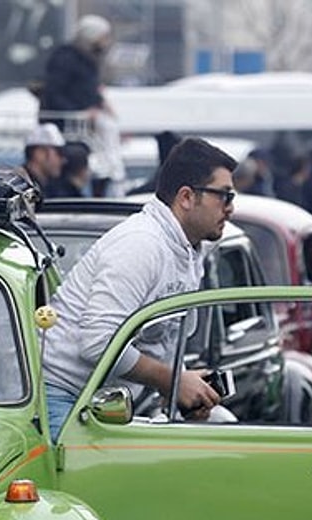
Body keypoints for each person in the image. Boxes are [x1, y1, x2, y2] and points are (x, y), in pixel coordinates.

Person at [42, 137, 238, 439]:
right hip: (62, 399)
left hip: (101, 404)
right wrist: (172, 381)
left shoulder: (186, 250)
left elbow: (162, 338)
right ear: (186, 197)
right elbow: (97, 342)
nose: (231, 208)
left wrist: (182, 387)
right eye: (224, 196)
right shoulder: (142, 243)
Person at [38, 14, 124, 197]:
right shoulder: (66, 58)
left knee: (109, 129)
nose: (105, 43)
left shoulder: (88, 59)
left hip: (87, 119)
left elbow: (88, 89)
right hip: (71, 121)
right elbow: (54, 93)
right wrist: (82, 112)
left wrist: (100, 102)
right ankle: (114, 175)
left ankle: (114, 175)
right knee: (107, 130)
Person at [21, 122, 67, 200]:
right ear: (40, 154)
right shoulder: (21, 188)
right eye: (59, 152)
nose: (63, 160)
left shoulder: (50, 187)